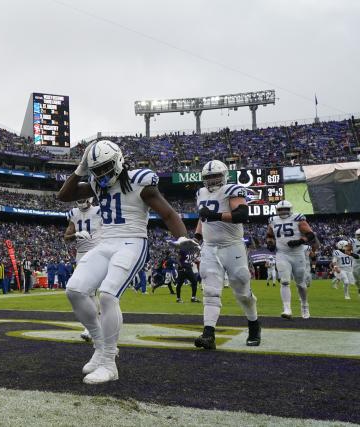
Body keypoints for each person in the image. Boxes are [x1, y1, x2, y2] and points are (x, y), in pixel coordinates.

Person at [57, 140, 197, 384]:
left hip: (133, 241)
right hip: (106, 243)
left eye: (105, 168)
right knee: (75, 290)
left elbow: (168, 213)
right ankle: (100, 347)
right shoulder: (95, 182)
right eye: (96, 169)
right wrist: (81, 168)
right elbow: (64, 195)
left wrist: (182, 237)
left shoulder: (139, 181)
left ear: (119, 161)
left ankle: (110, 364)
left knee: (109, 295)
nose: (101, 174)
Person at [194, 160, 260, 350]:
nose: (212, 180)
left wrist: (214, 216)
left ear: (224, 176)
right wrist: (197, 237)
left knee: (242, 291)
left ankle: (254, 325)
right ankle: (208, 334)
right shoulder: (200, 193)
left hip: (232, 246)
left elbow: (242, 214)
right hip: (210, 247)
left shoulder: (232, 189)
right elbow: (202, 218)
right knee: (210, 290)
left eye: (215, 176)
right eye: (208, 177)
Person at [266, 200, 316, 319]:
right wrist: (270, 243)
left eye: (285, 209)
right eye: (280, 210)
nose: (283, 212)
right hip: (282, 254)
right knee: (284, 281)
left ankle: (304, 305)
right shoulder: (273, 220)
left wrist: (299, 241)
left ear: (290, 209)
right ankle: (287, 309)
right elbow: (269, 235)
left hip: (297, 254)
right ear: (277, 210)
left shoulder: (298, 218)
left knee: (301, 284)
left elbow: (310, 234)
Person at [64, 197, 102, 342]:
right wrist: (76, 234)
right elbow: (66, 237)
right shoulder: (74, 213)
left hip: (96, 252)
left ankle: (92, 327)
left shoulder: (99, 211)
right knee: (84, 291)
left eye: (82, 197)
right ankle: (92, 325)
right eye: (77, 197)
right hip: (81, 255)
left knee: (94, 291)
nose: (80, 200)